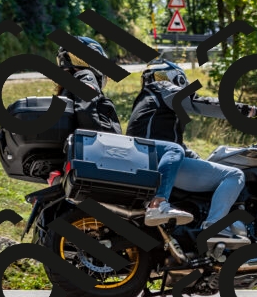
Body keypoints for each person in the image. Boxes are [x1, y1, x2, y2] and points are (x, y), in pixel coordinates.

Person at [126, 59, 257, 247]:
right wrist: (249, 111)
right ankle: (214, 227)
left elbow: (174, 145)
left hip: (148, 161)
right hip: (157, 161)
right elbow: (198, 102)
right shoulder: (162, 88)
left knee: (198, 161)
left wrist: (203, 162)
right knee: (234, 175)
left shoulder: (148, 101)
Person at [55, 37, 192, 226]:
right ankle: (159, 205)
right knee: (173, 150)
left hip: (82, 153)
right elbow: (87, 110)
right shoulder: (86, 76)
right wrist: (104, 141)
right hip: (99, 151)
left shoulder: (65, 87)